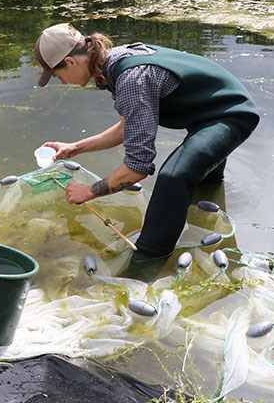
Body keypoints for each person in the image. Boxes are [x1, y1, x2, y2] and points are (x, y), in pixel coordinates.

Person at [33, 23, 259, 261]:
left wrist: (89, 191)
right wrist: (75, 148)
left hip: (230, 114)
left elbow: (137, 168)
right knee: (201, 181)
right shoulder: (113, 62)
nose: (64, 82)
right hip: (208, 111)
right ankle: (207, 213)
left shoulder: (130, 79)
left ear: (70, 62)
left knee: (174, 177)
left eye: (59, 76)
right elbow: (126, 127)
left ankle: (149, 260)